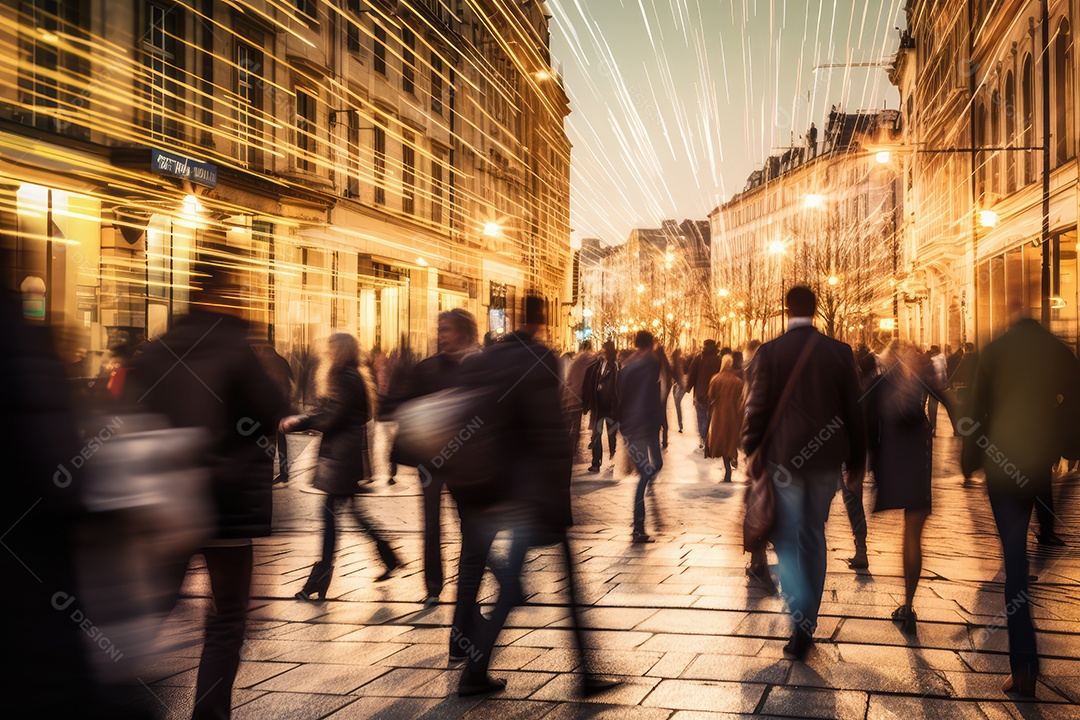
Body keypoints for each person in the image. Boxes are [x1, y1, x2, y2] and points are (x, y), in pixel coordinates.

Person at [125, 258, 288, 720]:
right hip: (225, 503)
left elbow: (132, 412)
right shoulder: (236, 346)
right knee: (227, 615)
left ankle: (111, 683)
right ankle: (209, 713)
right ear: (226, 294)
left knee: (154, 603)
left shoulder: (158, 349)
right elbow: (272, 409)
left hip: (167, 499)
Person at [450, 296, 617, 698]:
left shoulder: (487, 358)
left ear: (516, 320)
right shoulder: (540, 359)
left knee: (512, 583)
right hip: (529, 491)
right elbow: (548, 431)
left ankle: (477, 666)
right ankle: (585, 673)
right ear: (543, 322)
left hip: (490, 487)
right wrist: (558, 490)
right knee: (556, 584)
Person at [962, 305, 1080, 697]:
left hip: (1001, 464)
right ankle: (1026, 663)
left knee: (1014, 559)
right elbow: (1074, 402)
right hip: (1036, 464)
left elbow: (975, 411)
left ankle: (1023, 664)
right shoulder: (1058, 350)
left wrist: (969, 461)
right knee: (1020, 556)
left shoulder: (995, 350)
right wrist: (1069, 447)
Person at [742, 286, 866, 661]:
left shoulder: (770, 352)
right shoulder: (840, 352)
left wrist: (751, 451)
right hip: (826, 462)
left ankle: (799, 612)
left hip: (784, 461)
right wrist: (857, 462)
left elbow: (756, 406)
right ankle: (807, 620)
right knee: (814, 534)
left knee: (786, 538)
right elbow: (854, 410)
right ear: (815, 312)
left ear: (786, 310)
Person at [282, 333, 401, 601]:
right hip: (344, 457)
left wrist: (298, 422)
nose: (327, 351)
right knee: (349, 515)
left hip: (340, 458)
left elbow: (331, 416)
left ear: (341, 351)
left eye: (332, 347)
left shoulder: (344, 378)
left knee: (329, 520)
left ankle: (319, 579)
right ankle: (388, 556)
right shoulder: (352, 376)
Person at [393, 309, 480, 607]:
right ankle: (433, 586)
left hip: (463, 462)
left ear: (464, 333)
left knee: (467, 522)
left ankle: (468, 585)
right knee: (431, 525)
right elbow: (402, 405)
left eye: (447, 329)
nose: (441, 335)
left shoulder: (476, 367)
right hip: (430, 462)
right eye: (439, 329)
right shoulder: (426, 368)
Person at [864, 342, 944, 634]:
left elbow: (867, 426)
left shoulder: (878, 383)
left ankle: (907, 607)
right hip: (919, 460)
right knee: (913, 535)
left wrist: (865, 467)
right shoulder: (919, 383)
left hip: (893, 463)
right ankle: (908, 605)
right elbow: (951, 402)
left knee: (907, 536)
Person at [618, 331, 664, 543]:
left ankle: (638, 525)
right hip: (644, 426)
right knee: (647, 472)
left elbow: (621, 398)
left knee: (652, 468)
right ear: (650, 344)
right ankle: (638, 526)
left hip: (634, 427)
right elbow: (652, 395)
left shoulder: (627, 367)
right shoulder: (649, 365)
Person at [252, 341, 294, 485]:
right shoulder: (282, 360)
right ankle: (284, 474)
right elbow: (292, 381)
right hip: (282, 407)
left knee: (268, 443)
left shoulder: (264, 363)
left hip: (270, 409)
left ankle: (268, 475)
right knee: (281, 442)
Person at [582, 340, 620, 472]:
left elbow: (619, 387)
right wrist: (586, 404)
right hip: (598, 406)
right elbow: (588, 384)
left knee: (611, 435)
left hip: (611, 407)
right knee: (596, 434)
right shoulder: (596, 366)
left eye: (604, 350)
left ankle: (613, 459)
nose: (601, 352)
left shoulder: (616, 366)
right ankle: (595, 462)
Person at [707, 355, 743, 482]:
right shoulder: (738, 381)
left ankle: (727, 468)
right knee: (731, 439)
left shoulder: (715, 379)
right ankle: (733, 457)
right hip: (733, 414)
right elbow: (741, 400)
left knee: (722, 440)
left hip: (719, 415)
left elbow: (711, 396)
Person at [686, 339, 722, 450]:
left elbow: (692, 374)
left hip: (700, 393)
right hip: (713, 393)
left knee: (701, 416)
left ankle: (703, 437)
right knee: (711, 416)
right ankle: (709, 437)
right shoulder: (718, 359)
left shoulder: (698, 358)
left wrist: (688, 387)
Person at [562, 340, 595, 461]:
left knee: (571, 424)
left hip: (570, 396)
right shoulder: (588, 359)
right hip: (579, 396)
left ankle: (571, 447)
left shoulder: (575, 361)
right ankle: (572, 447)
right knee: (575, 426)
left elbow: (568, 379)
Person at [926, 345, 947, 436]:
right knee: (946, 405)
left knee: (932, 405)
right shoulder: (942, 358)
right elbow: (944, 371)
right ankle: (956, 427)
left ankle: (933, 426)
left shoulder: (932, 360)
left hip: (933, 385)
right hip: (940, 385)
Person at [670, 348, 687, 432]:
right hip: (679, 384)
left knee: (677, 404)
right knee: (677, 404)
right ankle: (680, 424)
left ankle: (680, 424)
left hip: (679, 385)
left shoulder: (675, 364)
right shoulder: (679, 363)